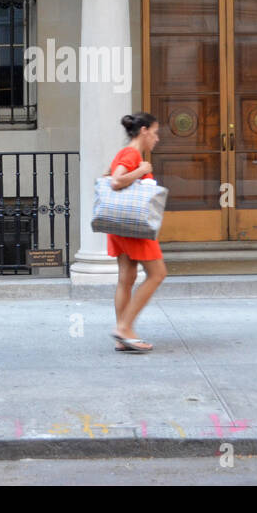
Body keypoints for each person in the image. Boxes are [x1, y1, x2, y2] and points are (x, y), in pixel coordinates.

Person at [105, 111, 167, 353]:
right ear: (144, 131)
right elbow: (116, 181)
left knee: (127, 278)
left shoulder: (126, 153)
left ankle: (123, 335)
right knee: (158, 273)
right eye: (155, 132)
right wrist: (141, 171)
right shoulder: (132, 154)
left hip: (120, 226)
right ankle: (124, 328)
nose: (156, 138)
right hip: (134, 228)